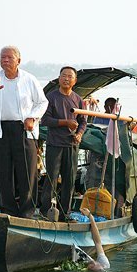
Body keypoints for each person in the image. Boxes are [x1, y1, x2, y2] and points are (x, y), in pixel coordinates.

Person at [0, 46, 48, 218]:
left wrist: (32, 117)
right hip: (2, 130)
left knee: (27, 172)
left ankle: (27, 212)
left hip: (24, 129)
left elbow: (42, 103)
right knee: (4, 173)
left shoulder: (29, 79)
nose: (5, 60)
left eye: (9, 57)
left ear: (18, 61)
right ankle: (8, 210)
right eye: (2, 57)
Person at [40, 66, 87, 221]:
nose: (66, 79)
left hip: (72, 145)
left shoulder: (78, 100)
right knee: (51, 179)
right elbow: (45, 120)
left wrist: (79, 134)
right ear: (59, 78)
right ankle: (45, 211)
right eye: (63, 76)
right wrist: (65, 122)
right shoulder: (51, 97)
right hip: (55, 144)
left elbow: (83, 122)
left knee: (69, 180)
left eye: (69, 76)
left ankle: (64, 214)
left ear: (75, 80)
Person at [79, 207, 110, 272]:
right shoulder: (104, 263)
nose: (93, 262)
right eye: (94, 263)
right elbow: (97, 241)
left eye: (92, 266)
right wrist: (90, 217)